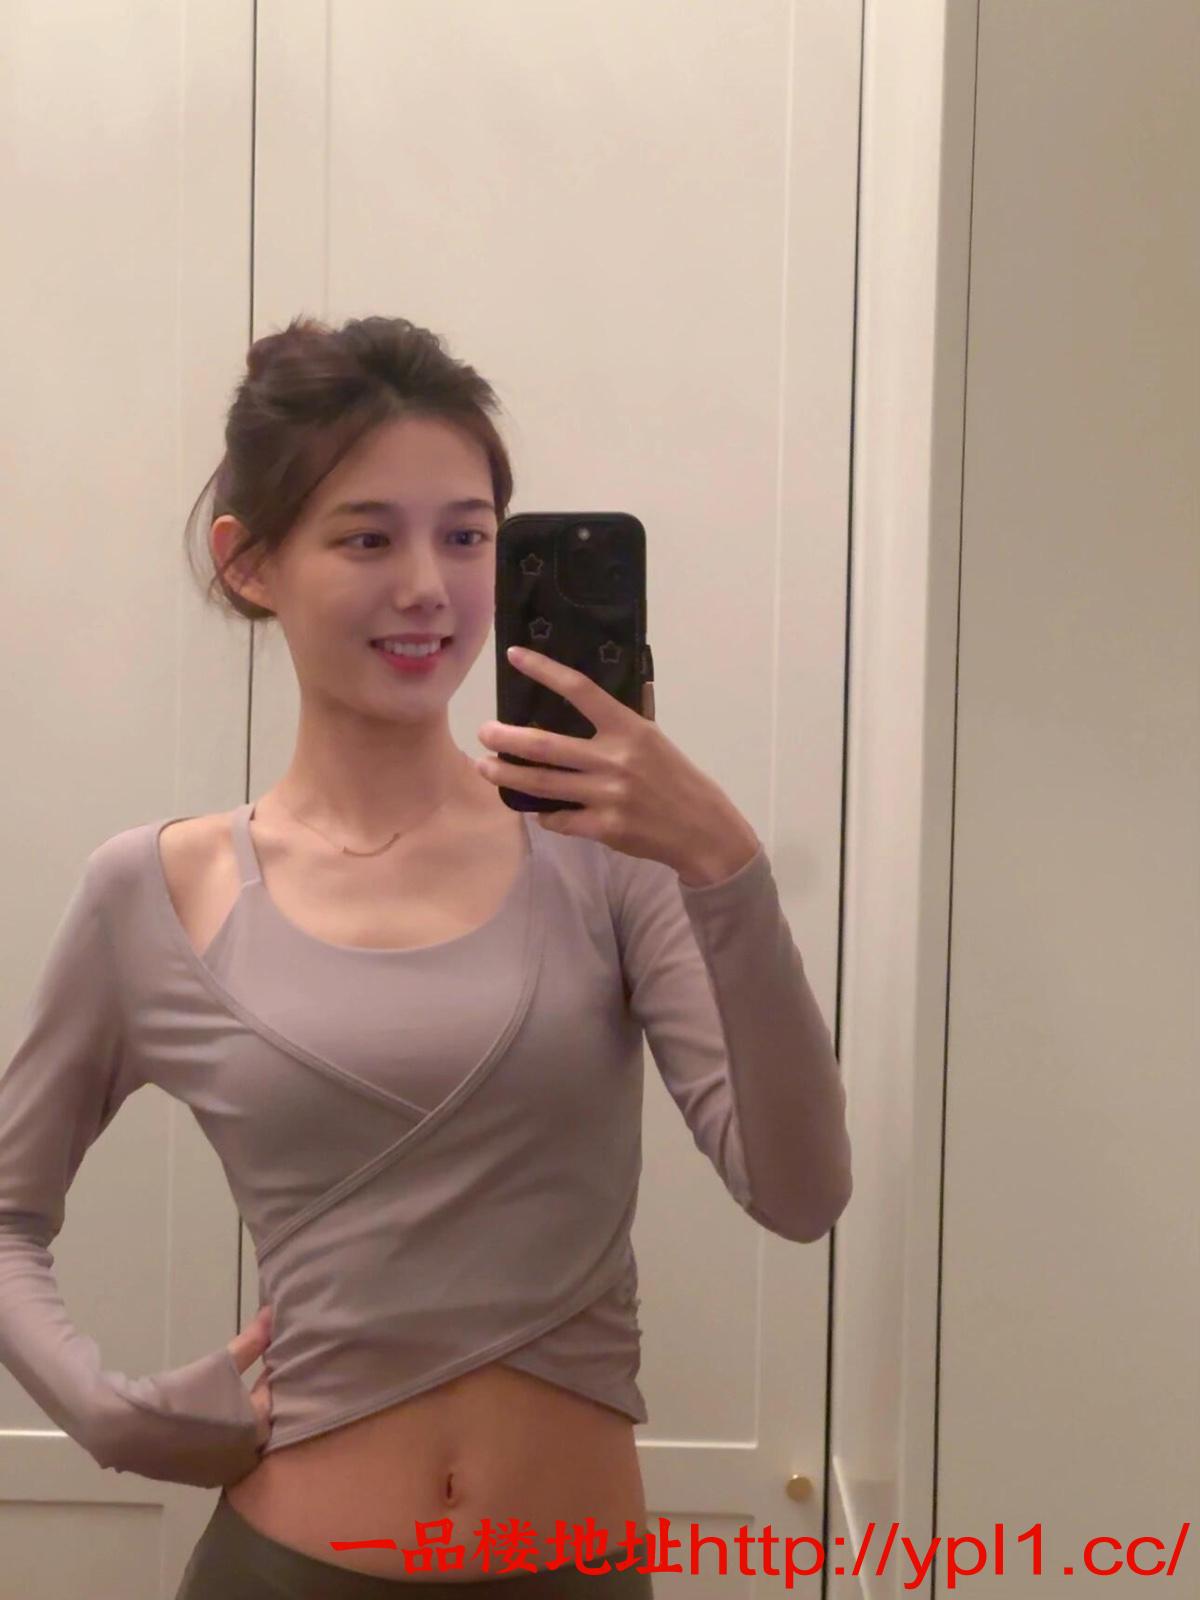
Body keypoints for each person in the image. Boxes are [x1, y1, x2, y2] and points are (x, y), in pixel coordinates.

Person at [0, 314, 853, 1596]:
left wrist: (725, 863)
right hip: (283, 1568)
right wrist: (109, 1413)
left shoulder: (608, 852)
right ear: (249, 561)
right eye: (367, 538)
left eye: (466, 536)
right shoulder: (157, 892)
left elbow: (801, 1192)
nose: (428, 587)